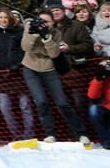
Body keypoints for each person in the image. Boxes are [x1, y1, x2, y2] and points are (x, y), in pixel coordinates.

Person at [21, 11, 89, 144]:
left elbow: (54, 53)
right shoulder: (29, 28)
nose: (43, 24)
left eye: (46, 21)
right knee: (41, 102)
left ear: (52, 23)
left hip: (49, 69)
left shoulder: (56, 33)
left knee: (62, 102)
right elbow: (25, 47)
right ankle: (50, 133)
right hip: (31, 68)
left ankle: (81, 133)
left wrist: (47, 39)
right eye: (40, 20)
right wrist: (34, 34)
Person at [0, 8, 34, 141]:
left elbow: (24, 51)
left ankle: (29, 134)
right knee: (4, 107)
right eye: (1, 17)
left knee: (25, 106)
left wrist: (18, 65)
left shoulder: (18, 32)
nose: (3, 20)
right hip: (2, 75)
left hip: (18, 73)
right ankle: (17, 134)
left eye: (5, 17)